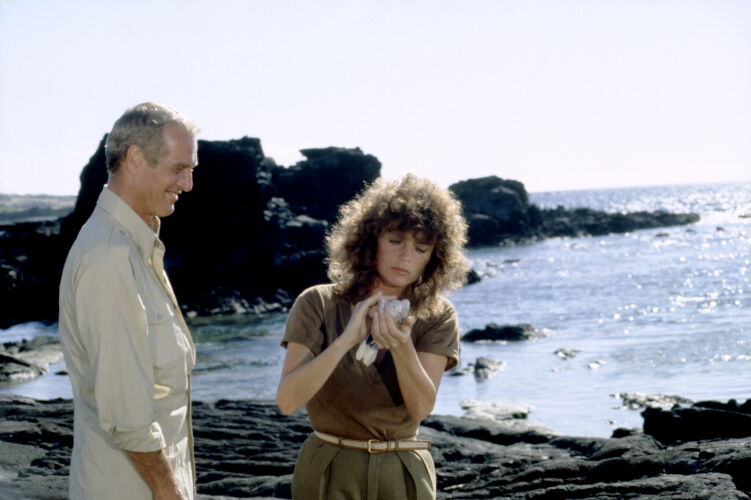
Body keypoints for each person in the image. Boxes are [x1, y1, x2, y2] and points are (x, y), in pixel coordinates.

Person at [277, 174, 469, 499]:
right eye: (395, 241)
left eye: (421, 248)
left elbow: (421, 408)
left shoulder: (439, 315)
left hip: (404, 469)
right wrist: (344, 342)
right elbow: (287, 400)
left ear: (433, 258)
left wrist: (402, 346)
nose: (406, 256)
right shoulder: (318, 302)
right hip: (328, 466)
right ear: (371, 241)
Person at [59, 102, 199, 500]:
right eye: (178, 169)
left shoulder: (136, 247)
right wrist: (168, 490)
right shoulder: (110, 258)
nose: (187, 184)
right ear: (135, 159)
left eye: (191, 169)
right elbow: (127, 413)